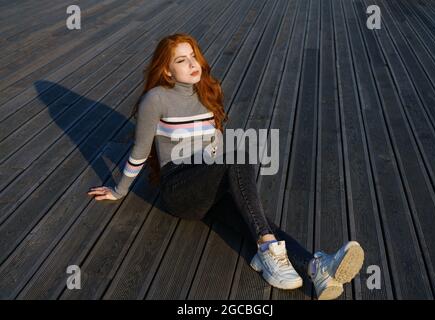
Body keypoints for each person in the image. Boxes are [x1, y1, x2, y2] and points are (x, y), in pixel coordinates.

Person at [87, 33, 364, 300]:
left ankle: (316, 269)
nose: (192, 63)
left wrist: (234, 186)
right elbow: (140, 150)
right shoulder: (156, 99)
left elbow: (216, 141)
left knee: (257, 220)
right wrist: (119, 190)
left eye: (192, 55)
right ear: (168, 71)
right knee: (239, 155)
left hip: (208, 181)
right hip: (179, 189)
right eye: (181, 60)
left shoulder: (208, 91)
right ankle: (269, 252)